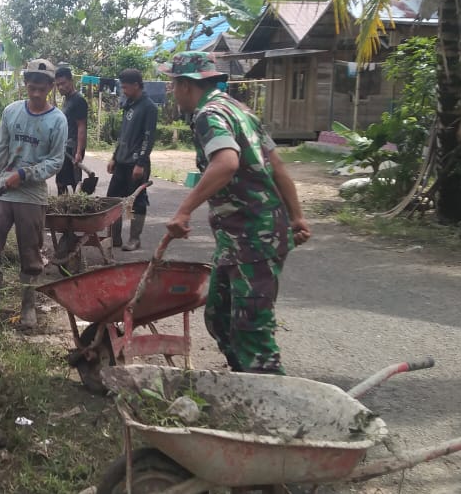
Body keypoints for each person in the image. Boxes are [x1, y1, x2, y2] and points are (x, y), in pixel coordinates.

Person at [161, 52, 311, 376]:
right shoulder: (239, 110)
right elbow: (277, 165)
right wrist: (296, 216)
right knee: (218, 316)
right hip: (237, 238)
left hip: (253, 237)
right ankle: (243, 381)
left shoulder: (209, 115)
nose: (172, 92)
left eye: (173, 84)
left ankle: (270, 395)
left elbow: (226, 162)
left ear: (186, 85)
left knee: (251, 330)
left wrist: (184, 211)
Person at [0, 59, 67, 329]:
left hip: (31, 196)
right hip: (3, 192)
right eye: (32, 85)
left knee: (30, 254)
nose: (36, 91)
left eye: (42, 87)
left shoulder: (58, 120)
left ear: (50, 87)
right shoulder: (11, 112)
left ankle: (28, 308)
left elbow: (56, 161)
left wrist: (25, 174)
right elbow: (0, 151)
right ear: (25, 84)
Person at [107, 68, 158, 251]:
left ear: (136, 85)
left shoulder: (149, 107)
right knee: (113, 199)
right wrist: (114, 157)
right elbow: (123, 134)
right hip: (121, 161)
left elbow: (148, 138)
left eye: (125, 87)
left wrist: (141, 163)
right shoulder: (128, 104)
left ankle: (134, 239)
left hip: (136, 164)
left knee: (136, 201)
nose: (123, 90)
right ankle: (114, 237)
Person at [54, 66, 88, 195]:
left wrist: (79, 152)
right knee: (61, 181)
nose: (60, 87)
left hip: (73, 148)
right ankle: (63, 204)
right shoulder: (67, 99)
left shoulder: (79, 100)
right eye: (58, 85)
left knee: (74, 182)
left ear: (71, 81)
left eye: (63, 83)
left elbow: (81, 127)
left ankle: (76, 204)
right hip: (65, 147)